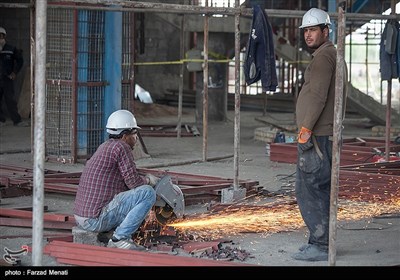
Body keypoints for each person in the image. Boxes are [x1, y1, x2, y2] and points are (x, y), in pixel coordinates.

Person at [293, 8, 346, 262]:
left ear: (326, 31)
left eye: (313, 30)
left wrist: (305, 131)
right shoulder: (328, 55)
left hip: (317, 136)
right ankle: (319, 240)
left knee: (310, 189)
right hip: (321, 135)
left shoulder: (325, 57)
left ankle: (322, 244)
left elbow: (318, 95)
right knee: (316, 189)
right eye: (306, 31)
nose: (308, 35)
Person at [73, 109, 160, 251]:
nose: (136, 138)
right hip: (95, 220)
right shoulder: (122, 147)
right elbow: (134, 183)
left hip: (82, 217)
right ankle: (120, 238)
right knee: (147, 193)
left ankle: (114, 232)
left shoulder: (105, 146)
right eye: (134, 134)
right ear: (125, 135)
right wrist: (149, 180)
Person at [0, 27, 28, 127]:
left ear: (4, 37)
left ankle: (17, 121)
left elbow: (20, 60)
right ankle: (1, 120)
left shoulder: (10, 49)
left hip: (7, 79)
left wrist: (14, 72)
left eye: (1, 36)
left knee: (10, 100)